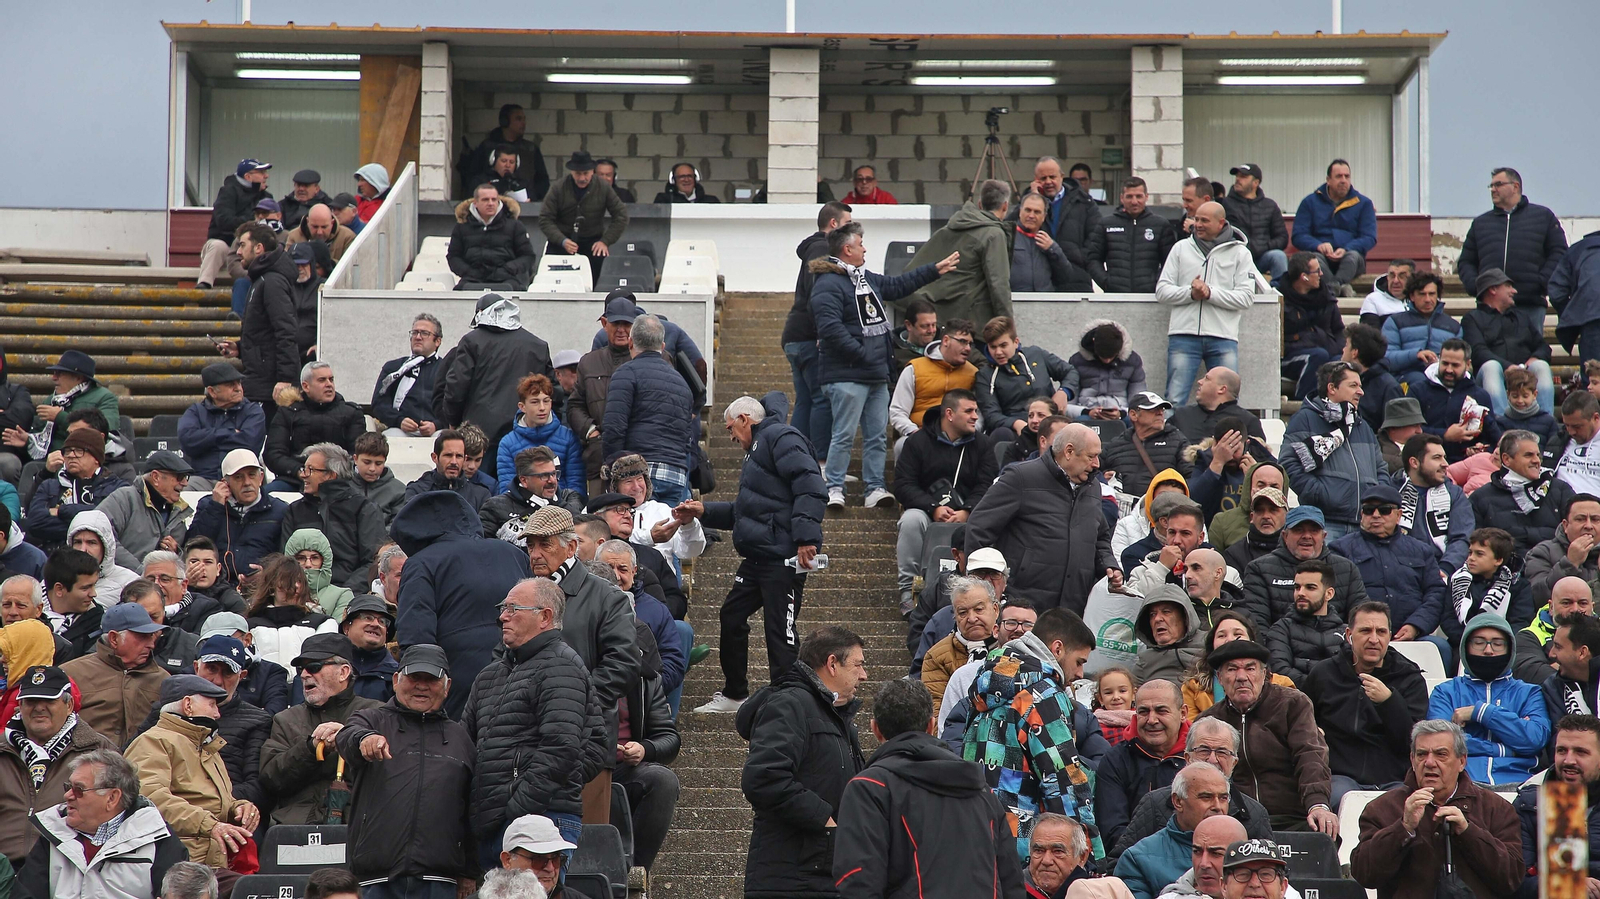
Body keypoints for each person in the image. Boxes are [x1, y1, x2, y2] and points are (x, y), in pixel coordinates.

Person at [833, 677, 1024, 899]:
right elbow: (1012, 880)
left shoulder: (870, 788)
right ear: (932, 726)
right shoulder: (983, 793)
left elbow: (857, 880)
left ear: (875, 729)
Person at [811, 221, 956, 510]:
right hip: (847, 374)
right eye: (861, 243)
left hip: (875, 374)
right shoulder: (828, 283)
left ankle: (874, 488)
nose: (865, 248)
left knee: (877, 434)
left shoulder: (863, 278)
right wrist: (863, 355)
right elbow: (829, 328)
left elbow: (897, 285)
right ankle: (834, 487)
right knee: (843, 434)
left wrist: (933, 270)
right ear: (847, 248)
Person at [463, 576, 595, 864]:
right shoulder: (489, 675)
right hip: (492, 824)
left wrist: (519, 805)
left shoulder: (560, 665)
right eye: (503, 607)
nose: (502, 616)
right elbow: (466, 744)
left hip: (539, 820)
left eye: (513, 608)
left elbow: (566, 747)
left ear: (545, 617)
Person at [524, 507, 637, 825]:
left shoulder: (606, 598)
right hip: (528, 741)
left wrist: (571, 703)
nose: (535, 553)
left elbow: (624, 664)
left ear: (571, 547)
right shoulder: (520, 596)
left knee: (583, 851)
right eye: (531, 545)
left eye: (544, 544)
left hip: (585, 742)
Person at [737, 626, 867, 899]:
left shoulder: (836, 715)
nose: (863, 675)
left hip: (824, 872)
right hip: (790, 878)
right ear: (832, 664)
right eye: (858, 665)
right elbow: (764, 777)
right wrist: (825, 820)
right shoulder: (789, 705)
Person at [335, 643, 474, 899]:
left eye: (431, 679)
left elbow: (470, 810)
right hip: (375, 878)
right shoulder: (371, 719)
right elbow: (347, 736)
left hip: (439, 881)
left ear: (447, 686)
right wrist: (365, 739)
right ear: (397, 679)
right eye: (414, 677)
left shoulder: (460, 737)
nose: (422, 686)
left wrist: (470, 872)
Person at [964, 609, 1102, 861]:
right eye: (1080, 661)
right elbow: (1063, 782)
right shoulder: (1042, 694)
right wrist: (1090, 856)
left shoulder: (988, 683)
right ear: (1057, 649)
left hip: (976, 835)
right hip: (1028, 849)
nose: (1080, 674)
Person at [393, 489, 531, 717]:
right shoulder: (513, 553)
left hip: (457, 681)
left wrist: (420, 681)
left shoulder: (421, 563)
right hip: (521, 671)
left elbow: (416, 634)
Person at [1351, 719, 1524, 899]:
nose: (1430, 762)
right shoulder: (1382, 808)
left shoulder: (1496, 808)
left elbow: (1512, 879)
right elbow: (1364, 875)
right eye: (1421, 754)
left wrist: (1468, 832)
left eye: (1441, 754)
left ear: (1462, 761)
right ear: (1412, 759)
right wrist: (1403, 828)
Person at [966, 423, 1120, 614]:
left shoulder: (1093, 488)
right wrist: (986, 584)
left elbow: (1100, 538)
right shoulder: (1021, 477)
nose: (1097, 464)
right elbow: (979, 527)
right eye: (1091, 456)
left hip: (1073, 608)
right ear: (1069, 451)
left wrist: (1109, 566)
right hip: (1022, 606)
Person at [1196, 640, 1336, 833]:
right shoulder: (1209, 721)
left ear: (1265, 674)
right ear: (1219, 678)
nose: (1241, 677)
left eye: (1250, 668)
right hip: (1236, 821)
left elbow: (1310, 755)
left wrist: (1318, 804)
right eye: (1232, 669)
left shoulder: (1293, 704)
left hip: (1294, 817)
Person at [1301, 600, 1428, 809]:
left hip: (1394, 779)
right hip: (1339, 776)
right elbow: (1303, 725)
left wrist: (1389, 701)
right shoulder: (1324, 674)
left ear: (1390, 635)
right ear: (1349, 635)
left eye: (1381, 632)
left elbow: (1413, 742)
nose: (1374, 639)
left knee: (1401, 807)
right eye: (1366, 631)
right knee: (1337, 800)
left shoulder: (1409, 678)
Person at [124, 674, 260, 868]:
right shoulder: (153, 741)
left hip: (210, 860)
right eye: (212, 704)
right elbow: (150, 798)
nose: (217, 714)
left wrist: (238, 808)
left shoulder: (206, 747)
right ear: (188, 705)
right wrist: (209, 825)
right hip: (177, 862)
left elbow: (217, 802)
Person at [15, 748, 187, 899]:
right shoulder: (53, 833)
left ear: (112, 798)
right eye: (68, 786)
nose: (68, 795)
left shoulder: (157, 839)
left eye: (79, 789)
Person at [260, 632, 384, 825]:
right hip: (297, 830)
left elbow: (391, 774)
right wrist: (311, 748)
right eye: (301, 668)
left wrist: (351, 739)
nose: (303, 674)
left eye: (314, 667)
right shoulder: (285, 719)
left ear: (343, 672)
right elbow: (271, 780)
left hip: (361, 827)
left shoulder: (376, 713)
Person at [1109, 717, 1274, 860]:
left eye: (1222, 752)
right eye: (1203, 750)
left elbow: (1271, 872)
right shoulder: (1154, 804)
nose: (1212, 759)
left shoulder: (1254, 814)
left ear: (1234, 763)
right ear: (1187, 757)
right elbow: (1120, 862)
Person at [892, 390, 996, 615]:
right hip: (927, 511)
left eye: (976, 411)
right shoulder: (917, 442)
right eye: (968, 411)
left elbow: (987, 485)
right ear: (949, 413)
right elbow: (903, 484)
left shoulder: (983, 444)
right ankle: (908, 592)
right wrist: (933, 507)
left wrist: (968, 510)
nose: (975, 416)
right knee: (910, 520)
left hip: (971, 515)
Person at [0, 664, 114, 865]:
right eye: (31, 701)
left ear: (69, 705)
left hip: (68, 868)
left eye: (49, 700)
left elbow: (118, 814)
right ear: (20, 706)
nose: (39, 708)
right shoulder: (3, 748)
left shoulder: (99, 751)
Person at [1330, 486, 1451, 661]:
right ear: (1362, 514)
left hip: (1412, 635)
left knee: (1441, 649)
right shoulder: (1340, 550)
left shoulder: (1421, 551)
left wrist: (1415, 625)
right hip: (1360, 637)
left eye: (1385, 510)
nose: (1376, 515)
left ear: (1399, 515)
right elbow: (1335, 598)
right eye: (1369, 510)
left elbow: (1436, 592)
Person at [1427, 613, 1549, 786]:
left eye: (1498, 644)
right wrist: (1504, 749)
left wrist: (1481, 712)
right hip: (1461, 784)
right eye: (1479, 642)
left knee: (1568, 805)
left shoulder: (1529, 693)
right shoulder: (1445, 692)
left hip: (1523, 784)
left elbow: (1534, 740)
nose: (1488, 650)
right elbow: (1442, 744)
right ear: (1465, 647)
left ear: (1510, 649)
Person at [1281, 361, 1389, 538]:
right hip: (1325, 523)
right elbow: (1288, 463)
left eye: (1360, 386)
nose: (1360, 392)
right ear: (1332, 388)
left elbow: (1381, 469)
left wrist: (1376, 497)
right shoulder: (1305, 419)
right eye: (1353, 385)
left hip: (1364, 524)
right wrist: (1320, 493)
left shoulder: (1362, 426)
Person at [1458, 166, 1568, 339]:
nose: (1493, 189)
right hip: (1490, 306)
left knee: (1531, 356)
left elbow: (1559, 253)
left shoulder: (1543, 217)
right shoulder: (1481, 223)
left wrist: (1540, 282)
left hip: (1529, 304)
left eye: (1498, 184)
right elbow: (1466, 261)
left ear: (1515, 186)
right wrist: (1477, 286)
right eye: (1491, 186)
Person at [601, 315, 695, 508]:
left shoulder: (626, 373)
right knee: (669, 535)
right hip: (676, 474)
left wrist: (612, 467)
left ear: (630, 342)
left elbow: (614, 427)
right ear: (662, 346)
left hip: (638, 473)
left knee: (637, 534)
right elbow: (687, 435)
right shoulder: (681, 382)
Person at [783, 202, 853, 459]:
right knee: (821, 398)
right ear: (834, 224)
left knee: (805, 399)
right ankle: (821, 459)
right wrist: (823, 333)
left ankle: (794, 456)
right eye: (847, 223)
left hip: (795, 335)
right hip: (810, 337)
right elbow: (819, 295)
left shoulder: (813, 248)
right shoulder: (823, 248)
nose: (852, 230)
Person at [435, 294, 554, 444]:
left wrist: (452, 419)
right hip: (526, 433)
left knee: (478, 468)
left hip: (479, 436)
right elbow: (552, 390)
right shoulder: (538, 346)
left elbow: (456, 387)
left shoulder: (471, 341)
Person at [1096, 679, 1191, 850]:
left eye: (1161, 711)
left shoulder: (1201, 756)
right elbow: (1112, 831)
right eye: (1143, 712)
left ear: (1183, 713)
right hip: (1134, 861)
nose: (1152, 720)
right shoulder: (1115, 760)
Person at [1114, 762, 1232, 899]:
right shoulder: (1137, 860)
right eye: (1206, 797)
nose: (1217, 806)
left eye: (1223, 798)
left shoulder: (1247, 848)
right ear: (1177, 801)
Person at [59, 602, 168, 749]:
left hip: (142, 766)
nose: (151, 645)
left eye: (151, 636)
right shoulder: (71, 674)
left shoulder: (163, 679)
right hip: (87, 764)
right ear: (114, 639)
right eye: (142, 637)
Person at [906, 179, 1014, 326]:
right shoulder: (994, 235)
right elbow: (999, 286)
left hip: (936, 318)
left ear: (980, 204)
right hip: (971, 324)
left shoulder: (952, 226)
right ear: (1005, 206)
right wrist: (1008, 327)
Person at [278, 443, 385, 590]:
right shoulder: (295, 510)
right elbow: (286, 560)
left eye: (310, 470)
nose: (303, 475)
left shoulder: (364, 509)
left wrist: (343, 593)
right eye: (304, 469)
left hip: (349, 592)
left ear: (331, 475)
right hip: (300, 592)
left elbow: (372, 563)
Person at [1461, 268, 1556, 419]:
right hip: (1491, 377)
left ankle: (1545, 420)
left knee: (1541, 365)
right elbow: (1478, 352)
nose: (1514, 291)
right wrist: (1507, 367)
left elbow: (1543, 347)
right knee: (1491, 366)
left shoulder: (1522, 317)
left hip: (1525, 373)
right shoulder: (1472, 319)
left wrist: (1535, 358)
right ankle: (1502, 423)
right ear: (1493, 289)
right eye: (1509, 286)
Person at [184, 449, 288, 585]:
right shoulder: (209, 505)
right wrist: (216, 507)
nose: (247, 482)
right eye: (238, 477)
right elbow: (192, 546)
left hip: (262, 587)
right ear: (225, 482)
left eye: (252, 475)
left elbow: (286, 557)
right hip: (216, 586)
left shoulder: (279, 510)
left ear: (261, 478)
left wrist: (268, 573)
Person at [230, 224, 301, 423]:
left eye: (243, 245)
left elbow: (286, 331)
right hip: (262, 382)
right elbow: (264, 333)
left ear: (259, 248)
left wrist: (285, 379)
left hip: (271, 387)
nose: (238, 251)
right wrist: (240, 347)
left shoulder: (272, 282)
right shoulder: (260, 280)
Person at [262, 360, 365, 493]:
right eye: (322, 380)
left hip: (339, 481)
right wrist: (300, 471)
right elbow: (273, 454)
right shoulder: (287, 413)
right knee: (267, 495)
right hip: (295, 479)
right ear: (306, 386)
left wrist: (332, 473)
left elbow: (358, 453)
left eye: (331, 379)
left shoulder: (351, 413)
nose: (329, 384)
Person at [24, 430, 128, 552]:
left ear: (96, 458)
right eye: (67, 451)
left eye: (79, 451)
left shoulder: (116, 487)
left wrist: (61, 511)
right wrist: (87, 524)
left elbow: (110, 521)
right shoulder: (49, 485)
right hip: (56, 557)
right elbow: (35, 523)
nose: (71, 456)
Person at [975, 317, 1079, 440]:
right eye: (993, 347)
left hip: (1050, 421)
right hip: (1015, 429)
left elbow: (1070, 372)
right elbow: (991, 414)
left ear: (1015, 342)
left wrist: (1064, 391)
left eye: (1003, 345)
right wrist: (1016, 424)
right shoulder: (985, 375)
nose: (998, 352)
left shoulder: (1036, 355)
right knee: (1000, 434)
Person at [889, 319, 979, 456]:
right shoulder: (915, 368)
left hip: (960, 437)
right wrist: (915, 432)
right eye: (962, 341)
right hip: (920, 433)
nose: (967, 348)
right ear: (946, 340)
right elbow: (897, 411)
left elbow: (979, 413)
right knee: (903, 445)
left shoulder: (973, 373)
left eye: (970, 344)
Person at [539, 151, 629, 286]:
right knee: (555, 281)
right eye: (578, 173)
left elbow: (621, 215)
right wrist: (562, 240)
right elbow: (545, 218)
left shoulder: (603, 187)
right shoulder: (558, 187)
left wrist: (605, 241)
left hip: (593, 242)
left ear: (592, 171)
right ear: (571, 172)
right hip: (561, 241)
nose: (582, 178)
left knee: (595, 279)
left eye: (586, 173)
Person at [1009, 157, 1097, 291]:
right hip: (1042, 283)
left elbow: (1096, 240)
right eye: (1043, 178)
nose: (1048, 182)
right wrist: (1034, 196)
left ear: (1062, 176)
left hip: (1076, 281)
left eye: (1052, 177)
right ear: (1035, 180)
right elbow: (1008, 227)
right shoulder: (1028, 204)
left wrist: (1080, 259)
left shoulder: (1084, 202)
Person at [1291, 159, 1377, 296]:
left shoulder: (1364, 203)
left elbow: (1369, 237)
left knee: (1353, 256)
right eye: (1338, 176)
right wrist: (1318, 245)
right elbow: (1298, 235)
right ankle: (1341, 288)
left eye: (1347, 176)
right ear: (1328, 180)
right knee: (1313, 259)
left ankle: (1331, 288)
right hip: (1321, 258)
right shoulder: (1309, 202)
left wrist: (1347, 248)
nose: (1343, 180)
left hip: (1351, 260)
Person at [1409, 339, 1501, 464]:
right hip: (1425, 462)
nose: (1449, 370)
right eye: (1445, 363)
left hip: (1468, 465)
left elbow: (1493, 439)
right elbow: (1409, 432)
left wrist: (1481, 448)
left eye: (1455, 365)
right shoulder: (1418, 390)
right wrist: (1445, 435)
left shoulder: (1480, 395)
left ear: (1468, 364)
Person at [1394, 434, 1475, 573]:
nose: (1445, 464)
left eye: (1444, 457)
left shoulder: (1454, 494)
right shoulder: (1391, 492)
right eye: (1437, 458)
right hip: (1399, 571)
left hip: (1443, 572)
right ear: (1414, 463)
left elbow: (1462, 538)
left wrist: (1445, 569)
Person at [97, 452, 191, 570]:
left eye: (186, 477)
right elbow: (99, 535)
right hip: (119, 582)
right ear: (156, 477)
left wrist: (176, 553)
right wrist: (140, 572)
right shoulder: (124, 498)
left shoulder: (179, 511)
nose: (185, 483)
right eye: (179, 477)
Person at [920, 577, 998, 719]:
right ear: (955, 617)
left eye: (979, 609)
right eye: (963, 613)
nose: (972, 618)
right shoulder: (937, 656)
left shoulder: (1012, 647)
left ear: (995, 609)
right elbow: (935, 713)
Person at [177, 362, 265, 487]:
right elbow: (188, 441)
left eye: (239, 383)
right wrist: (229, 433)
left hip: (240, 477)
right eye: (231, 385)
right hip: (203, 477)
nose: (238, 388)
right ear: (212, 391)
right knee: (186, 490)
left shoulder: (253, 411)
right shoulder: (196, 411)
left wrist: (206, 441)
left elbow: (249, 443)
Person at [496, 375, 583, 496]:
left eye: (546, 401)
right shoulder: (507, 444)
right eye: (535, 402)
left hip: (563, 510)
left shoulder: (568, 438)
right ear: (522, 407)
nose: (542, 408)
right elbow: (508, 490)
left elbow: (576, 485)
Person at [1089, 177, 1178, 294]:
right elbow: (1093, 259)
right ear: (1122, 198)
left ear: (1146, 197)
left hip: (1150, 297)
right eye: (1129, 196)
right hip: (1115, 297)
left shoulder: (1160, 225)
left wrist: (1156, 283)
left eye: (1139, 196)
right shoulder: (1106, 224)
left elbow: (1170, 261)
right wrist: (1107, 283)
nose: (1134, 201)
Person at [1279, 253, 1346, 401]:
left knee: (1339, 362)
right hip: (1290, 356)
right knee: (1317, 356)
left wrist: (1339, 349)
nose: (1321, 274)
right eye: (1317, 271)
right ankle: (1303, 403)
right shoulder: (1280, 299)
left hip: (1326, 350)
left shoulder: (1326, 296)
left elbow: (1338, 329)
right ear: (1304, 276)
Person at [1101, 392, 1193, 500]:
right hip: (1123, 510)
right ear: (1133, 415)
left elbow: (1191, 477)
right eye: (1153, 409)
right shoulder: (1116, 444)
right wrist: (1102, 478)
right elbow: (1091, 469)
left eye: (1162, 409)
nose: (1160, 413)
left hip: (1160, 509)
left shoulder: (1178, 441)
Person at [482, 446, 585, 541]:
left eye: (554, 474)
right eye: (544, 476)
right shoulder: (495, 507)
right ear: (524, 480)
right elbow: (483, 548)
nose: (552, 481)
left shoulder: (568, 507)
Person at [449, 184, 537, 291]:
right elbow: (453, 257)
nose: (490, 203)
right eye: (485, 200)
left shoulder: (515, 226)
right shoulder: (461, 227)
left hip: (507, 278)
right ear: (475, 203)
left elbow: (528, 256)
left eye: (494, 199)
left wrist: (508, 269)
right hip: (472, 279)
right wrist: (469, 271)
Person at [372, 313, 445, 438]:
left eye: (424, 333)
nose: (418, 337)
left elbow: (457, 407)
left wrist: (436, 425)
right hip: (401, 430)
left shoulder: (447, 369)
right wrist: (399, 420)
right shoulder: (394, 368)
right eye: (414, 333)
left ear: (437, 341)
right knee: (390, 439)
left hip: (436, 431)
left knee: (445, 440)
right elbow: (379, 404)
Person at [1381, 270, 1462, 382]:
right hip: (1406, 378)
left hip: (1444, 377)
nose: (1428, 299)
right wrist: (1416, 355)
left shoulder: (1453, 326)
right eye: (1422, 294)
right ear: (1412, 296)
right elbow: (1386, 359)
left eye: (1432, 294)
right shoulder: (1395, 322)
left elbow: (1461, 359)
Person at [1515, 574, 1592, 685]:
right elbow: (1531, 672)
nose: (1575, 609)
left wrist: (1560, 667)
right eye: (1566, 603)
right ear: (1551, 607)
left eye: (1582, 603)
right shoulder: (1528, 636)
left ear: (1592, 606)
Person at [1218, 163, 1289, 283]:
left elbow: (1282, 237)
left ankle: (1279, 295)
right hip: (1235, 258)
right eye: (1237, 176)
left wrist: (1263, 247)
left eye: (1243, 177)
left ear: (1256, 183)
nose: (1238, 179)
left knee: (1278, 256)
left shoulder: (1270, 206)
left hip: (1262, 257)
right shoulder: (1225, 204)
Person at [1168, 368, 1265, 447]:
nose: (1199, 381)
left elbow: (1259, 459)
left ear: (1222, 389)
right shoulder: (1181, 415)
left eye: (1207, 378)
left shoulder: (1248, 421)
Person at [1134, 584, 1208, 685]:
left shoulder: (1209, 644)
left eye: (1166, 612)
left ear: (1185, 617)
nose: (1157, 619)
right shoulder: (1144, 662)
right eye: (1152, 614)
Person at [1011, 192, 1079, 293]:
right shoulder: (1008, 237)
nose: (1031, 215)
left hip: (1044, 303)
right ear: (1020, 212)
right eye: (1028, 210)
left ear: (1044, 216)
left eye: (1037, 212)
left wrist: (1053, 249)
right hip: (1014, 302)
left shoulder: (1048, 240)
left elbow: (1066, 276)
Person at [1025, 814, 1097, 899]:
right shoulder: (1010, 889)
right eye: (1039, 851)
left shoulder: (1097, 893)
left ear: (1082, 857)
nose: (1046, 861)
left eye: (1058, 851)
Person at [284, 202, 356, 262]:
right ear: (307, 221)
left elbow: (349, 268)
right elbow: (288, 265)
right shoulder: (294, 236)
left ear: (332, 223)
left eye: (324, 227)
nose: (319, 232)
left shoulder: (347, 237)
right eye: (315, 227)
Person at [891, 298, 943, 375]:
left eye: (934, 325)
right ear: (909, 325)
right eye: (925, 326)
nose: (931, 331)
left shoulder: (944, 348)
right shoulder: (892, 353)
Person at [654, 162, 720, 203]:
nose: (686, 180)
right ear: (673, 180)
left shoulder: (711, 201)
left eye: (690, 176)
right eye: (682, 177)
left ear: (695, 179)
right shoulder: (664, 200)